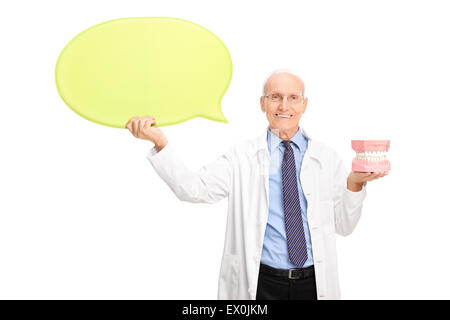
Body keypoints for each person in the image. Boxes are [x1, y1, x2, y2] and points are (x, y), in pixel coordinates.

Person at [126, 69, 388, 300]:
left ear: (304, 104)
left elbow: (344, 225)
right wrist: (159, 142)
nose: (284, 105)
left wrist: (354, 184)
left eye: (293, 97)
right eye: (275, 97)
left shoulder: (326, 158)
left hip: (314, 282)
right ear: (262, 104)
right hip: (262, 282)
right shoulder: (242, 156)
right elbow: (194, 189)